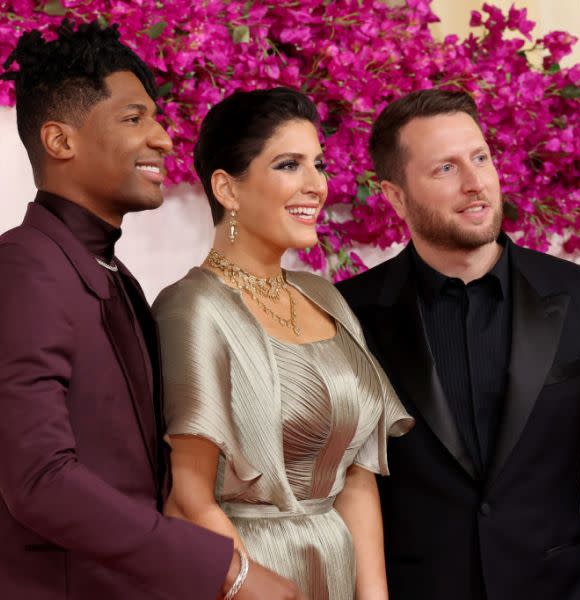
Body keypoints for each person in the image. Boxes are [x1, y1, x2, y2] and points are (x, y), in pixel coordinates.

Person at [0, 21, 296, 599]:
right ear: (61, 141)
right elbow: (40, 480)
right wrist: (226, 570)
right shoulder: (20, 270)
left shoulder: (116, 278)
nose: (163, 138)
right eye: (134, 119)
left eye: (156, 119)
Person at [335, 89, 580, 600]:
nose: (476, 184)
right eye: (445, 169)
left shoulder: (578, 296)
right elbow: (343, 492)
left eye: (481, 158)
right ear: (395, 196)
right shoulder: (351, 312)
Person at [152, 87, 414, 600]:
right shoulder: (192, 309)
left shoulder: (325, 298)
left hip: (335, 564)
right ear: (227, 189)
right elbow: (189, 499)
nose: (316, 185)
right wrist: (262, 589)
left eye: (318, 164)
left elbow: (357, 479)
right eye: (289, 165)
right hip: (247, 575)